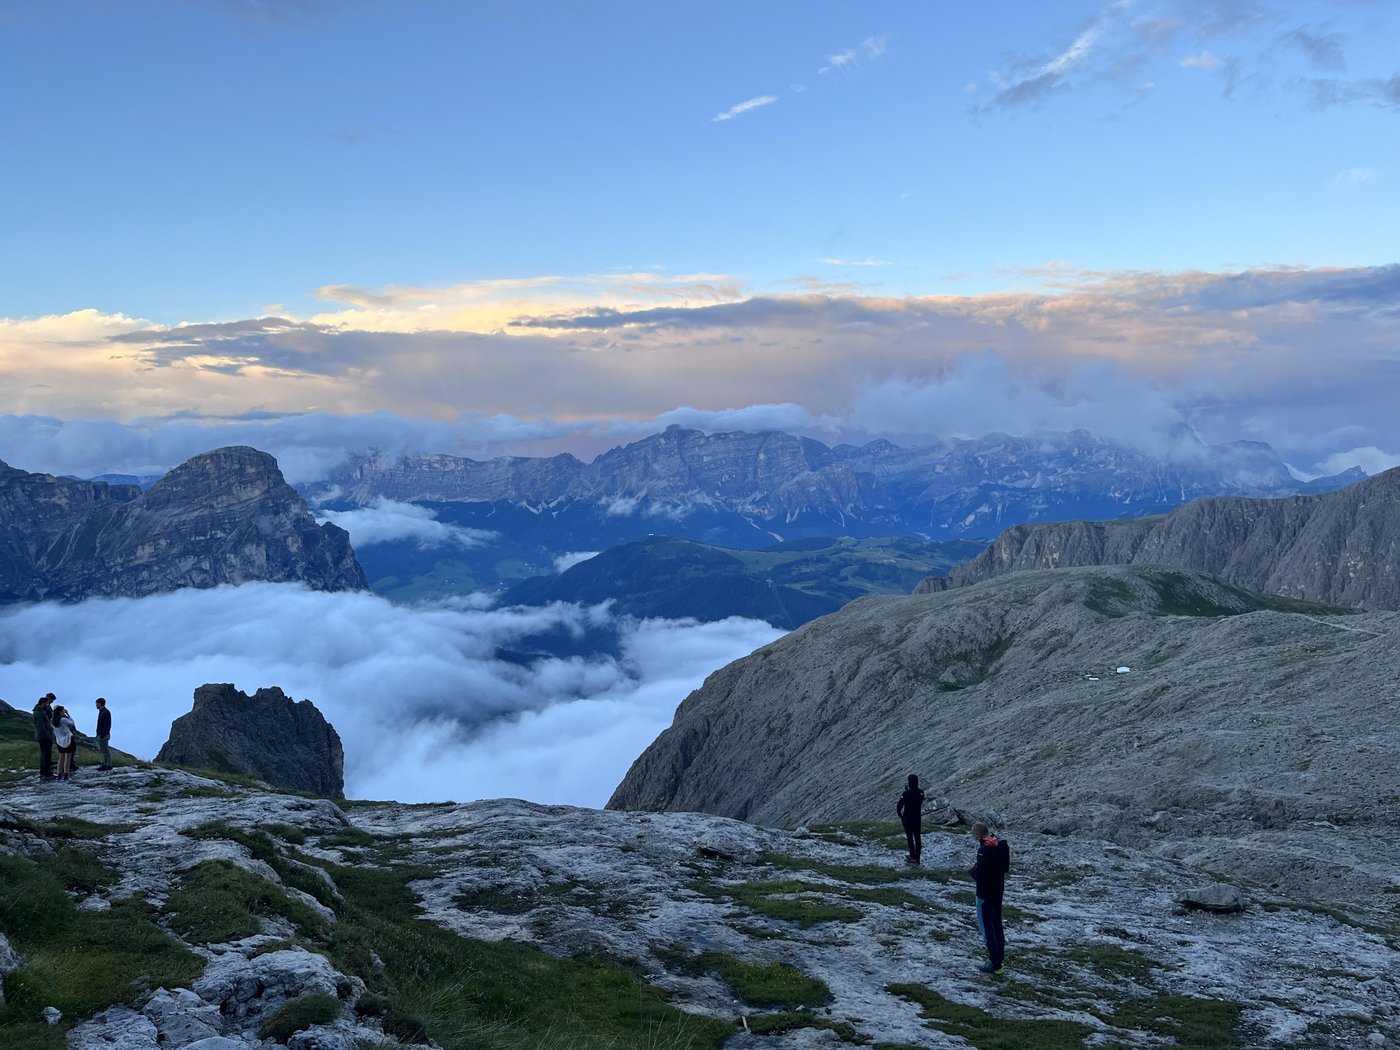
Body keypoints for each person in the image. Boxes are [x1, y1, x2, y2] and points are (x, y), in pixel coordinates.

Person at [965, 822, 1011, 974]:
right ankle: (1000, 959)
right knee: (997, 925)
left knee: (987, 928)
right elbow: (1004, 868)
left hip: (985, 894)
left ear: (978, 835)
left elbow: (980, 877)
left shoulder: (984, 850)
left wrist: (972, 869)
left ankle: (995, 963)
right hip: (998, 891)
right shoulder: (1001, 845)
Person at [896, 773, 925, 865]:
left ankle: (912, 856)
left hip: (908, 817)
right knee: (917, 837)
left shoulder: (906, 794)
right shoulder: (921, 792)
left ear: (909, 783)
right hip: (917, 817)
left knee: (909, 837)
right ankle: (917, 856)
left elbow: (899, 806)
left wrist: (900, 816)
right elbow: (918, 799)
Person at [51, 705, 80, 782]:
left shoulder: (53, 720)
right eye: (63, 710)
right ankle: (66, 775)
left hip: (59, 741)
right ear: (60, 711)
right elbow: (72, 723)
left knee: (61, 757)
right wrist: (68, 715)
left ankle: (59, 774)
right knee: (67, 758)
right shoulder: (63, 719)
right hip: (68, 740)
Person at [33, 694, 56, 781]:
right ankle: (45, 772)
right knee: (45, 754)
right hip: (44, 736)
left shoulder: (41, 711)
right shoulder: (39, 713)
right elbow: (41, 726)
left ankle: (46, 771)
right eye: (46, 703)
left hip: (44, 736)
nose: (48, 705)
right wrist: (47, 735)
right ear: (43, 703)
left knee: (46, 754)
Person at [95, 697, 113, 770]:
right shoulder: (102, 711)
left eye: (97, 704)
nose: (96, 705)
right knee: (103, 750)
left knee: (106, 750)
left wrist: (102, 734)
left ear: (99, 703)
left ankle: (108, 764)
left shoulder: (105, 712)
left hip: (103, 735)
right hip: (101, 734)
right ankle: (105, 763)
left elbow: (106, 725)